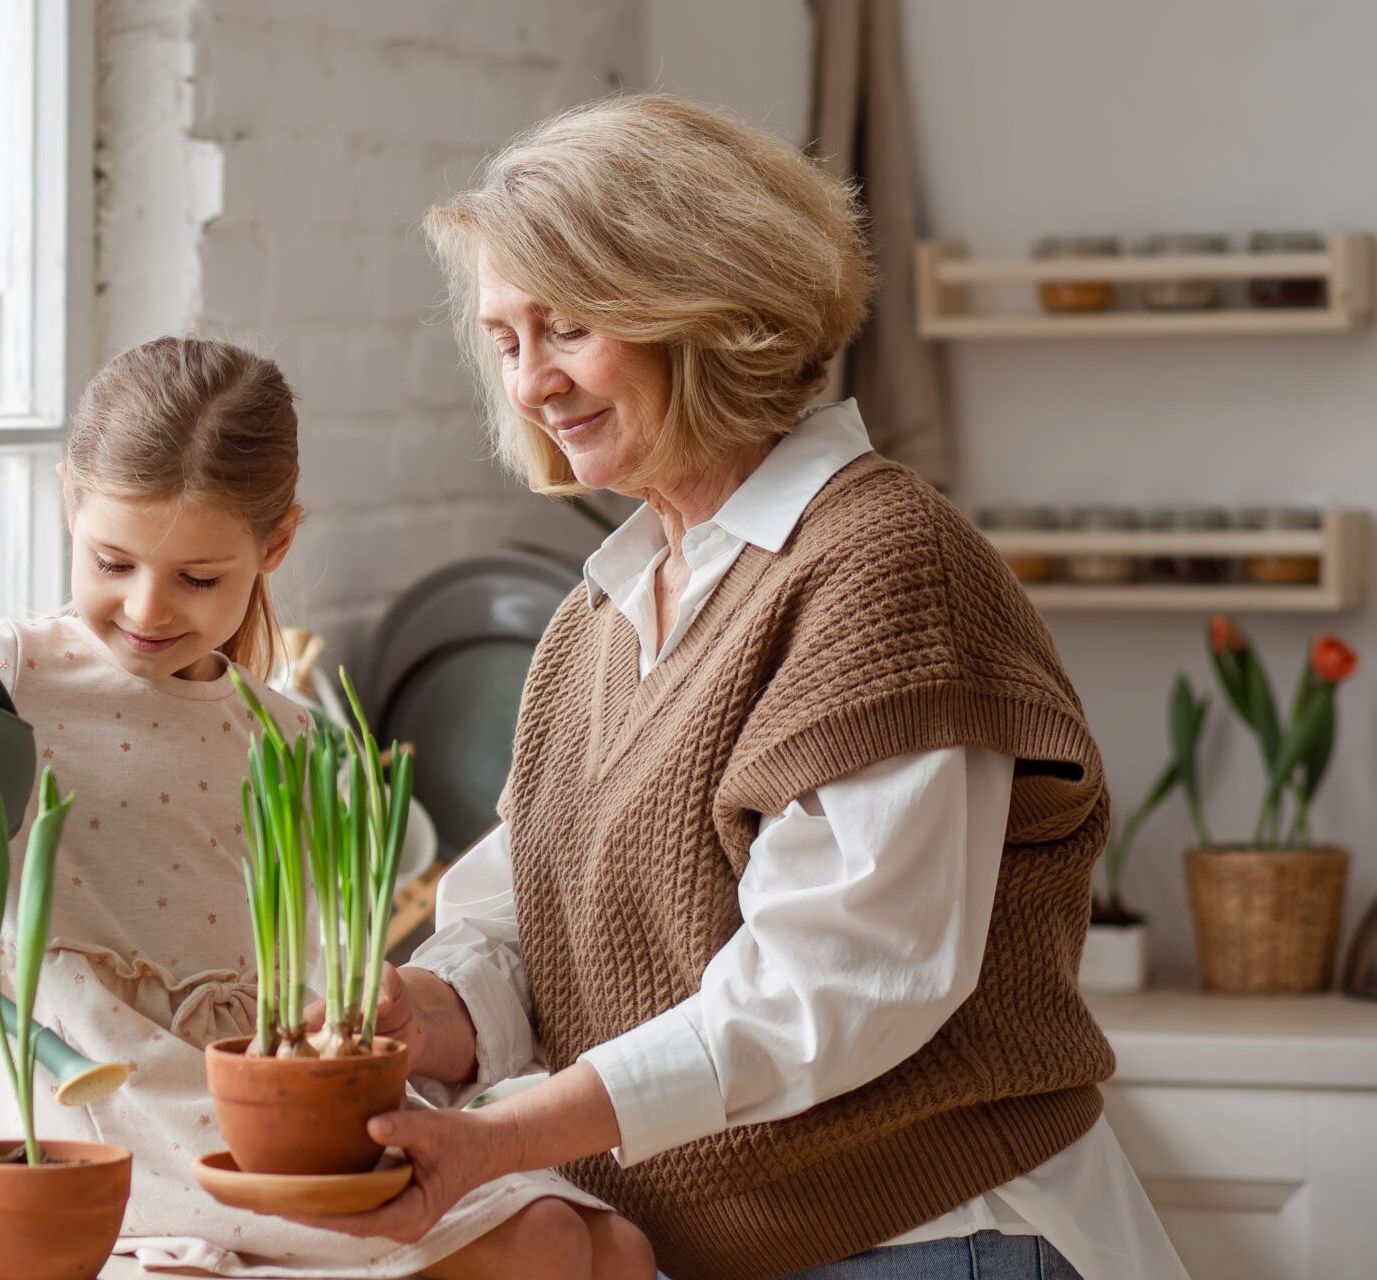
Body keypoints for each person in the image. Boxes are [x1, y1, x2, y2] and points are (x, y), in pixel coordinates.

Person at [292, 94, 1187, 1280]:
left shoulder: (877, 565)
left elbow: (838, 982)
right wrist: (430, 1009)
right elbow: (519, 923)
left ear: (699, 305)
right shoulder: (597, 621)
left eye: (564, 329)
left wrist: (500, 1134)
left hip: (931, 1240)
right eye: (505, 342)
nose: (529, 386)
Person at [0, 335, 653, 1280]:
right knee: (540, 1245)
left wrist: (361, 1007)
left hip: (272, 1088)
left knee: (613, 1246)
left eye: (198, 578)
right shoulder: (3, 680)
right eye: (112, 562)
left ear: (276, 544)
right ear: (70, 504)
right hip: (113, 1096)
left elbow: (325, 959)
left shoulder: (287, 735)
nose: (146, 609)